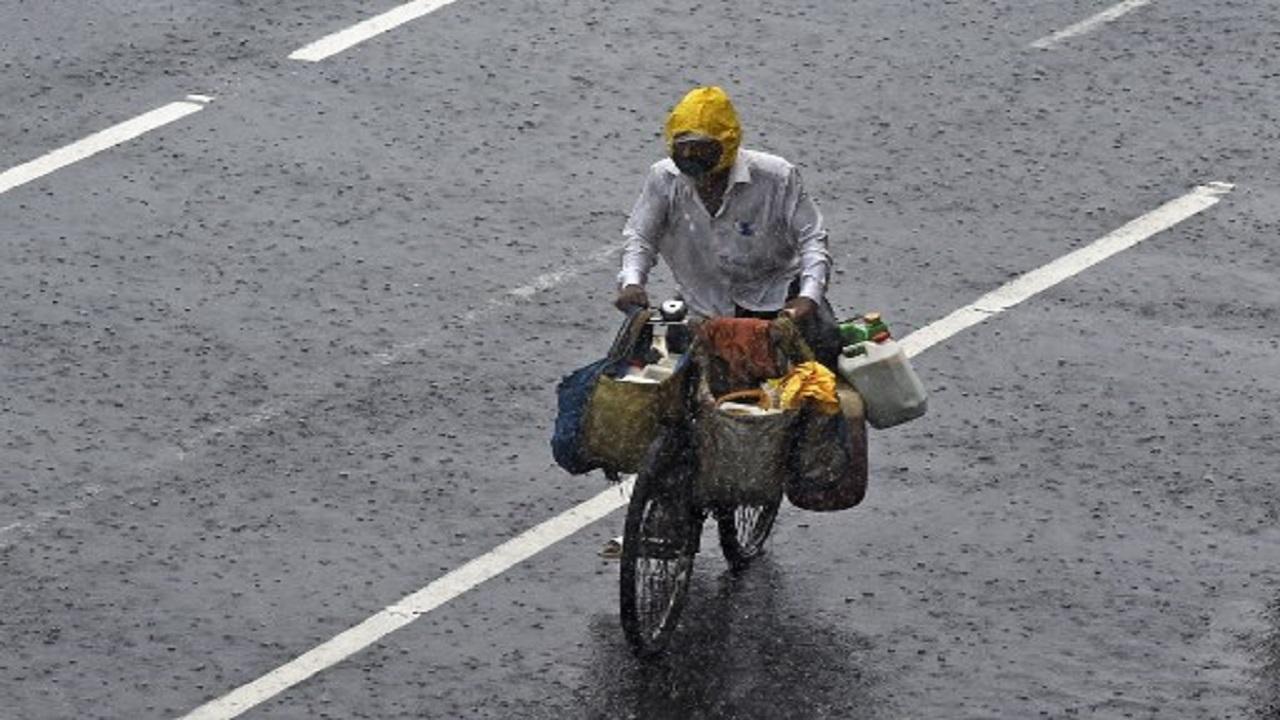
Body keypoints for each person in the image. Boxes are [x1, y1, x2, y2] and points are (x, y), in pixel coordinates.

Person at [614, 85, 842, 369]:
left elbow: (813, 239)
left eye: (702, 149)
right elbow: (641, 237)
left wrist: (807, 298)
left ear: (727, 146)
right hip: (701, 310)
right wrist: (632, 281)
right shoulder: (664, 179)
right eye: (683, 148)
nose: (691, 157)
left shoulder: (777, 177)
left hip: (774, 306)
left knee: (823, 384)